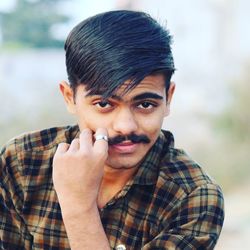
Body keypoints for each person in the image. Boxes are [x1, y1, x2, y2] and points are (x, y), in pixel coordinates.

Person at [0, 10, 224, 250]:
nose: (125, 126)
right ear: (70, 97)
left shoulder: (193, 196)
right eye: (104, 104)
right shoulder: (23, 163)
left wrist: (79, 208)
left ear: (168, 99)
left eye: (145, 105)